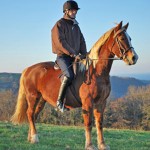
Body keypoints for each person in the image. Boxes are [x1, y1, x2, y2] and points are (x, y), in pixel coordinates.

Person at [51, 0, 87, 112]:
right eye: (72, 10)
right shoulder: (59, 24)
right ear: (66, 11)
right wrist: (73, 53)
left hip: (75, 57)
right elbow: (60, 42)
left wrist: (84, 54)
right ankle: (59, 102)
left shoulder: (76, 26)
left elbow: (82, 40)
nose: (75, 12)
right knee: (69, 75)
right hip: (63, 57)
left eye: (75, 10)